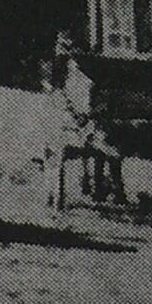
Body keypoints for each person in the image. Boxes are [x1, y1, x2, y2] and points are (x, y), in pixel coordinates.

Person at [47, 30, 124, 208]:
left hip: (92, 123)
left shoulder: (91, 76)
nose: (71, 54)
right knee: (94, 139)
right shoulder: (61, 74)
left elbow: (101, 102)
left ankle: (110, 187)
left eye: (74, 49)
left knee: (106, 142)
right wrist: (73, 116)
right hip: (68, 124)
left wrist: (93, 114)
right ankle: (94, 185)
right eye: (66, 49)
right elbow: (57, 100)